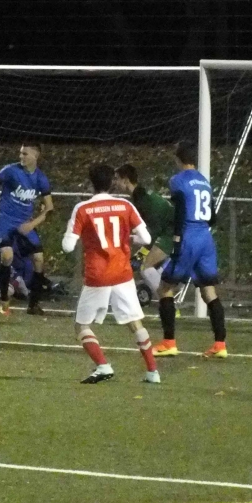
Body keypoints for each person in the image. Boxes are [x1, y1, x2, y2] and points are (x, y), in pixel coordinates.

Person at [62, 163, 159, 384]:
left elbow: (68, 246)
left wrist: (76, 234)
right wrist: (128, 238)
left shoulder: (83, 209)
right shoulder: (125, 205)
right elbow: (146, 238)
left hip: (98, 275)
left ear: (91, 184)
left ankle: (103, 366)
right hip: (122, 273)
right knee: (135, 322)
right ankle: (153, 372)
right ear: (112, 183)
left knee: (81, 325)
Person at [155, 142, 227, 359]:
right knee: (209, 291)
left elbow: (179, 212)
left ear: (178, 160)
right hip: (205, 237)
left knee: (164, 288)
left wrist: (177, 239)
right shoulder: (205, 182)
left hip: (188, 236)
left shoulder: (177, 180)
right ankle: (220, 344)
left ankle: (169, 342)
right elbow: (212, 217)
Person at [0, 144, 54, 315]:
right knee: (7, 256)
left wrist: (32, 224)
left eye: (25, 154)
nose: (21, 156)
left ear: (35, 156)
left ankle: (33, 304)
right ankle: (4, 301)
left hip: (24, 224)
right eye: (20, 153)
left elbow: (49, 208)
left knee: (38, 259)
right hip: (4, 221)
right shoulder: (11, 170)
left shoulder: (41, 178)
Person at [113, 164, 175, 299]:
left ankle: (168, 303)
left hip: (171, 233)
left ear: (126, 180)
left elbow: (154, 231)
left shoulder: (142, 199)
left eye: (117, 179)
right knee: (146, 268)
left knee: (146, 268)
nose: (115, 182)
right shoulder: (140, 195)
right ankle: (166, 300)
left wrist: (141, 253)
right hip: (168, 232)